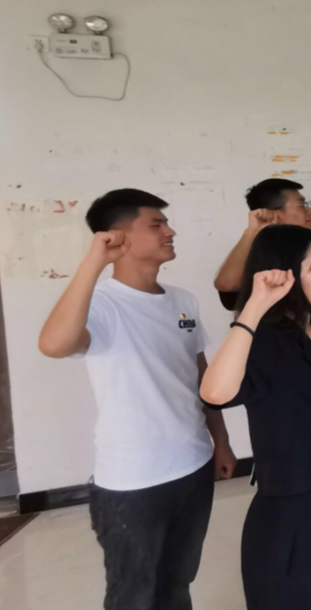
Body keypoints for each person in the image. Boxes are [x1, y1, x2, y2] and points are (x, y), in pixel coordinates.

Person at [37, 189, 236, 610]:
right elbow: (54, 345)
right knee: (133, 594)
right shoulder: (100, 305)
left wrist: (221, 441)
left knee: (177, 582)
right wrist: (94, 262)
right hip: (133, 482)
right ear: (117, 236)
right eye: (157, 224)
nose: (170, 231)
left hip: (194, 467)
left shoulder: (183, 300)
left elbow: (202, 381)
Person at [200, 225, 311, 609]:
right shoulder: (263, 339)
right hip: (295, 507)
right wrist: (255, 305)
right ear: (285, 274)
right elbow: (214, 393)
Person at [212, 178, 311, 311]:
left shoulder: (295, 245)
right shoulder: (261, 255)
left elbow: (305, 245)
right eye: (302, 205)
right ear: (275, 214)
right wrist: (251, 231)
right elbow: (226, 285)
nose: (310, 211)